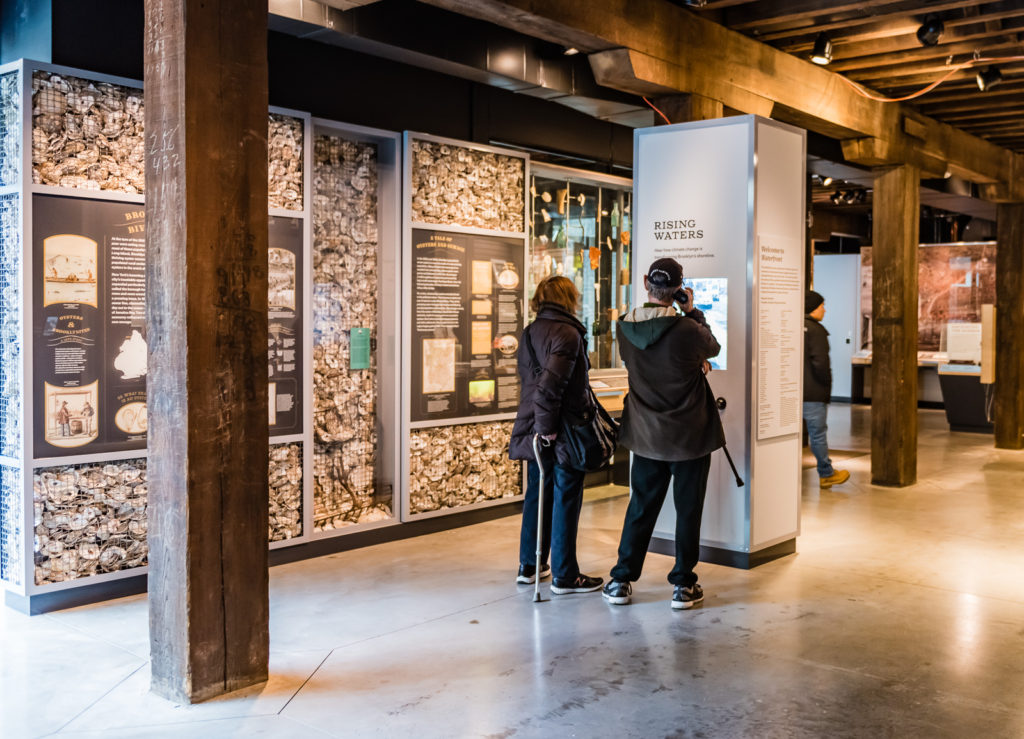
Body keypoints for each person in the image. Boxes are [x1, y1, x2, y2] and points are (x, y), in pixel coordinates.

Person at [602, 258, 724, 610]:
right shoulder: (687, 330)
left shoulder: (625, 327)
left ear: (645, 283)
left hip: (645, 435)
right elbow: (712, 347)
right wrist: (693, 312)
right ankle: (683, 585)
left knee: (640, 507)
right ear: (679, 289)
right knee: (688, 510)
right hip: (689, 437)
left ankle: (621, 579)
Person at [508, 276, 603, 595]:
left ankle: (530, 565)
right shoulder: (568, 332)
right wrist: (548, 429)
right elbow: (550, 389)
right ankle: (565, 575)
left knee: (538, 492)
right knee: (566, 495)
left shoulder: (531, 331)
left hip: (535, 424)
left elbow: (534, 383)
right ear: (569, 299)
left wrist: (540, 426)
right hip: (560, 429)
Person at [804, 290, 850, 488]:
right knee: (818, 434)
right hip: (814, 392)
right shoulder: (816, 330)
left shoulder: (793, 326)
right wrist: (825, 385)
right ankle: (826, 473)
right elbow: (821, 363)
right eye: (822, 305)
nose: (825, 310)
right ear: (813, 307)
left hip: (791, 393)